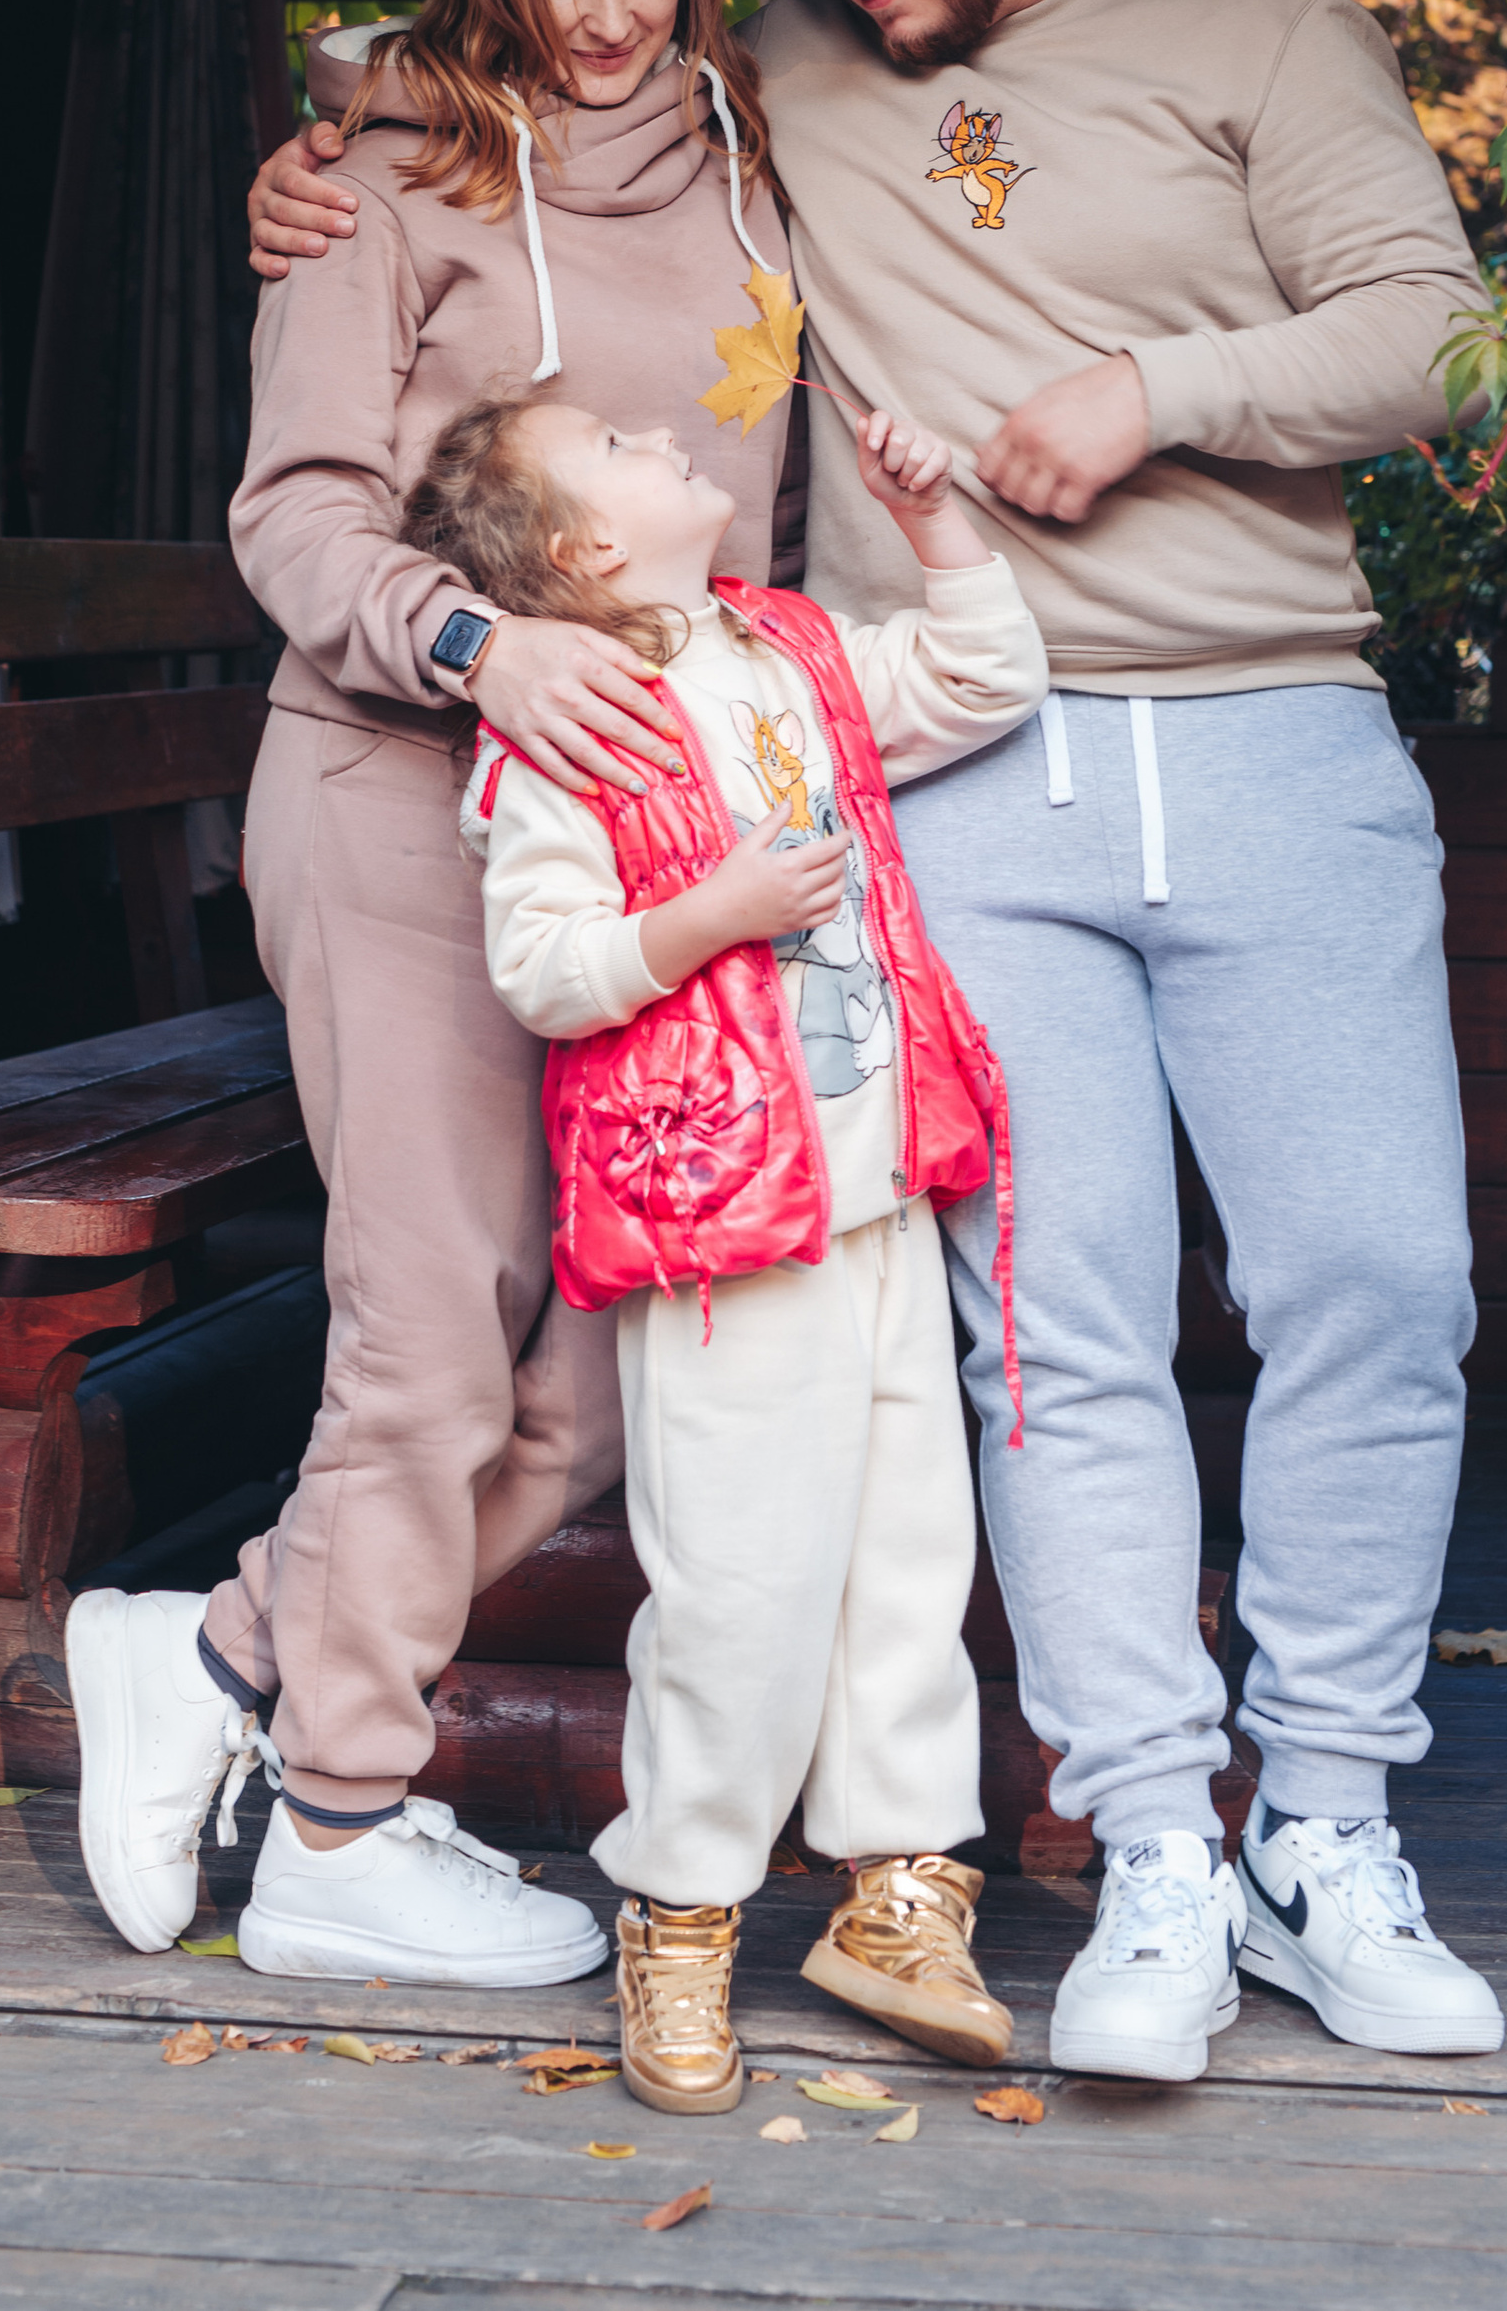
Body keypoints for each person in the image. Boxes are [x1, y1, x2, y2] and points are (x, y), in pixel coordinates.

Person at [248, 0, 1507, 2078]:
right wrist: (315, 145)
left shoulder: (1228, 40)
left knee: (1373, 1276)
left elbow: (1430, 342)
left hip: (1239, 733)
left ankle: (1323, 1826)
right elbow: (465, 79)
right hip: (913, 779)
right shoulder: (726, 92)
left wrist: (1158, 394)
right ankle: (1146, 1840)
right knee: (1041, 1327)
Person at [69, 0, 794, 1991]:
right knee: (429, 1331)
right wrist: (479, 642)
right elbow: (289, 521)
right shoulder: (384, 181)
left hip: (651, 821)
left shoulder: (758, 149)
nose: (601, 18)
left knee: (588, 1378)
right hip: (400, 793)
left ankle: (211, 1648)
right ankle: (338, 1830)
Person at [409, 384, 1044, 2108]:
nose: (666, 432)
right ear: (584, 550)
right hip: (717, 1221)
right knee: (742, 1589)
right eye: (617, 442)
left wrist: (939, 529)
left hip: (879, 1194)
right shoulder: (572, 722)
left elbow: (988, 675)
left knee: (906, 1560)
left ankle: (901, 1895)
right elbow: (547, 964)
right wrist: (718, 915)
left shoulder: (794, 649)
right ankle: (680, 1911)